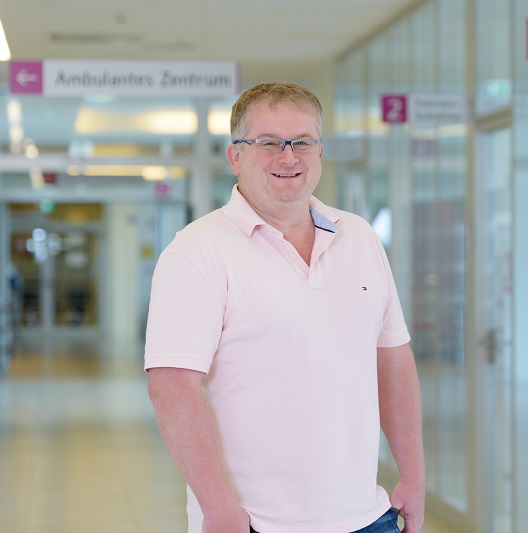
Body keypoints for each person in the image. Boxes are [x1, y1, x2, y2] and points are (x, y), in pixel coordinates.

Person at [145, 81, 425, 533]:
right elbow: (173, 387)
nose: (288, 156)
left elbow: (392, 359)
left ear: (320, 151)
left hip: (368, 517)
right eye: (268, 142)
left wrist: (413, 475)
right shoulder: (196, 252)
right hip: (256, 523)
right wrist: (219, 510)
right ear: (235, 155)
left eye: (303, 142)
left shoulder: (359, 237)